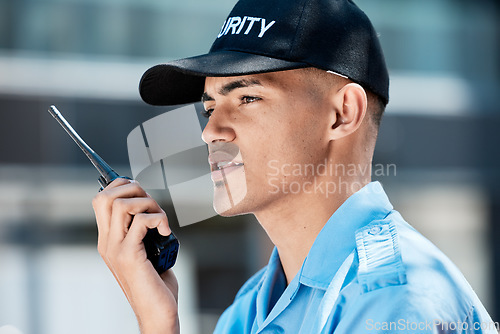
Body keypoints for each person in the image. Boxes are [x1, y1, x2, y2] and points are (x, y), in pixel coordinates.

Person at [92, 0, 497, 333]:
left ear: (342, 113)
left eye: (248, 98)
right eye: (209, 107)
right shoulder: (248, 310)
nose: (210, 131)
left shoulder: (396, 303)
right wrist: (159, 323)